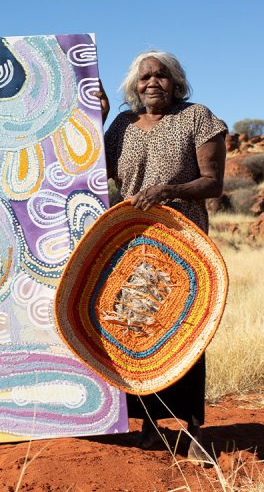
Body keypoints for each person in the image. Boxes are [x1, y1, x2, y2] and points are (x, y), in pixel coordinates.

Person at [95, 50, 227, 462]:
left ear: (177, 82)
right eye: (145, 77)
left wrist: (171, 188)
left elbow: (213, 183)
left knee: (186, 325)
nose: (153, 82)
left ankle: (195, 428)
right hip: (134, 244)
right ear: (134, 85)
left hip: (182, 242)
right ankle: (150, 425)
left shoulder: (198, 118)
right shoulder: (121, 125)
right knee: (138, 328)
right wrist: (93, 118)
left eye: (162, 76)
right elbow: (91, 170)